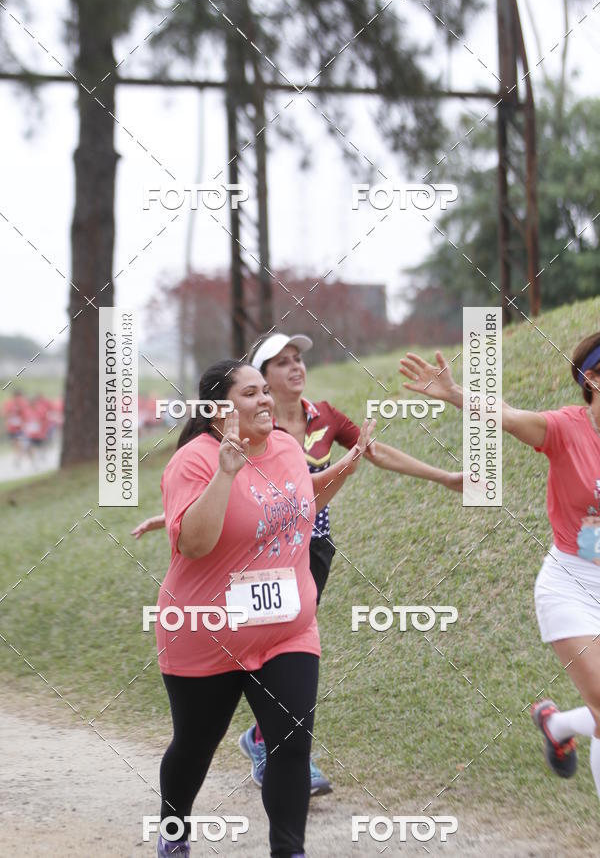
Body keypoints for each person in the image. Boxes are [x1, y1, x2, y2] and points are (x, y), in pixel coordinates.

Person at [133, 333, 463, 796]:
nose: (295, 368)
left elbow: (369, 452)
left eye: (298, 360)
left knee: (286, 657)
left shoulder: (321, 415)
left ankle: (276, 745)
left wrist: (445, 477)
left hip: (309, 549)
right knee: (219, 704)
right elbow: (226, 502)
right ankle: (262, 743)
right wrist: (179, 520)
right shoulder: (227, 440)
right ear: (260, 376)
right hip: (242, 567)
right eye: (281, 363)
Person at [154, 358, 373, 858]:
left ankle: (288, 851)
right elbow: (194, 544)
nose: (265, 400)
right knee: (194, 747)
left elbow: (301, 502)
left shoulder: (287, 448)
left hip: (285, 631)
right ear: (217, 410)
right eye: (249, 393)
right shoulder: (193, 462)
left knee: (291, 745)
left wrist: (346, 466)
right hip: (207, 631)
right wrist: (226, 473)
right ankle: (174, 834)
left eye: (264, 391)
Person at [399, 335, 600, 798]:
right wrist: (454, 394)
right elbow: (506, 415)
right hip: (572, 586)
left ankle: (557, 724)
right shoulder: (566, 429)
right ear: (592, 379)